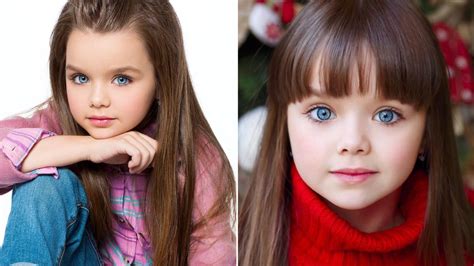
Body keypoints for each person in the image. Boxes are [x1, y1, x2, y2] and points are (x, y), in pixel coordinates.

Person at [239, 0, 474, 265]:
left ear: (426, 132)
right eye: (322, 113)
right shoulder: (240, 245)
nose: (352, 143)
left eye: (387, 115)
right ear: (285, 121)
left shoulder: (465, 236)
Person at [0, 0, 235, 265]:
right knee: (43, 183)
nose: (97, 99)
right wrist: (90, 147)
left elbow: (214, 254)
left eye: (122, 79)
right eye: (80, 78)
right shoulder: (58, 122)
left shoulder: (195, 156)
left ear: (160, 80)